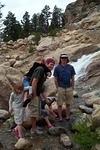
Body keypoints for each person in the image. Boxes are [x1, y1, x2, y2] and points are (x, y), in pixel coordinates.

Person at [28, 57, 55, 134]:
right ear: (46, 64)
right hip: (33, 94)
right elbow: (34, 82)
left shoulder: (44, 72)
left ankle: (34, 127)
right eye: (50, 64)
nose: (51, 66)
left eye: (53, 65)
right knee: (34, 112)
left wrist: (42, 97)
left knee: (36, 111)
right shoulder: (40, 69)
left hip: (36, 94)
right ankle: (33, 129)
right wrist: (34, 94)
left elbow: (40, 86)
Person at [53, 54, 76, 121]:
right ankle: (60, 117)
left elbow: (72, 77)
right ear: (60, 59)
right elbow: (55, 78)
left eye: (65, 58)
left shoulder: (71, 67)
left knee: (68, 103)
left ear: (67, 59)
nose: (64, 59)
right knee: (59, 104)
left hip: (69, 87)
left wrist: (73, 87)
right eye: (62, 58)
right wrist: (57, 88)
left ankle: (67, 116)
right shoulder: (57, 68)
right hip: (60, 87)